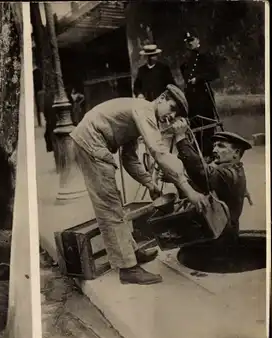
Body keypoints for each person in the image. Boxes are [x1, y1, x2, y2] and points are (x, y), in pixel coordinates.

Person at [70, 84, 209, 285]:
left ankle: (131, 252)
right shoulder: (144, 110)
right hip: (91, 142)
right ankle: (128, 269)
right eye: (171, 108)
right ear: (161, 98)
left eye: (175, 113)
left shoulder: (139, 113)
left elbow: (130, 158)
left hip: (92, 140)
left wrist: (150, 184)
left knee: (115, 203)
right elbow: (159, 152)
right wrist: (189, 191)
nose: (170, 116)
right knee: (109, 206)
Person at [169, 119, 251, 242]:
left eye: (221, 146)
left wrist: (181, 138)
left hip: (220, 237)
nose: (214, 150)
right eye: (214, 146)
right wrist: (177, 178)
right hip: (220, 233)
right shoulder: (234, 169)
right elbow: (202, 186)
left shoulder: (229, 174)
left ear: (236, 153)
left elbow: (202, 174)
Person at [180, 31, 220, 159]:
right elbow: (183, 71)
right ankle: (197, 151)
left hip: (203, 94)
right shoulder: (186, 58)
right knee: (193, 123)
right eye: (188, 41)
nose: (189, 43)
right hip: (191, 96)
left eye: (192, 40)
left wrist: (198, 79)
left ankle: (208, 152)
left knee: (206, 122)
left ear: (198, 41)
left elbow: (214, 73)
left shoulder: (205, 56)